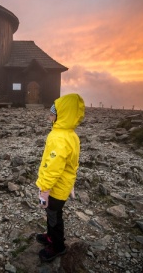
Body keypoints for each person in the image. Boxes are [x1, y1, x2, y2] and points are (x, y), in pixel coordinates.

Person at [35, 93, 85, 262]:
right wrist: (71, 183)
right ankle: (50, 235)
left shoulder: (58, 138)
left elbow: (53, 168)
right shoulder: (71, 135)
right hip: (63, 184)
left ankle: (57, 246)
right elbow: (72, 163)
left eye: (52, 113)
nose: (49, 116)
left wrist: (44, 190)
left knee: (54, 216)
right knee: (53, 214)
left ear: (61, 115)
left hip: (55, 188)